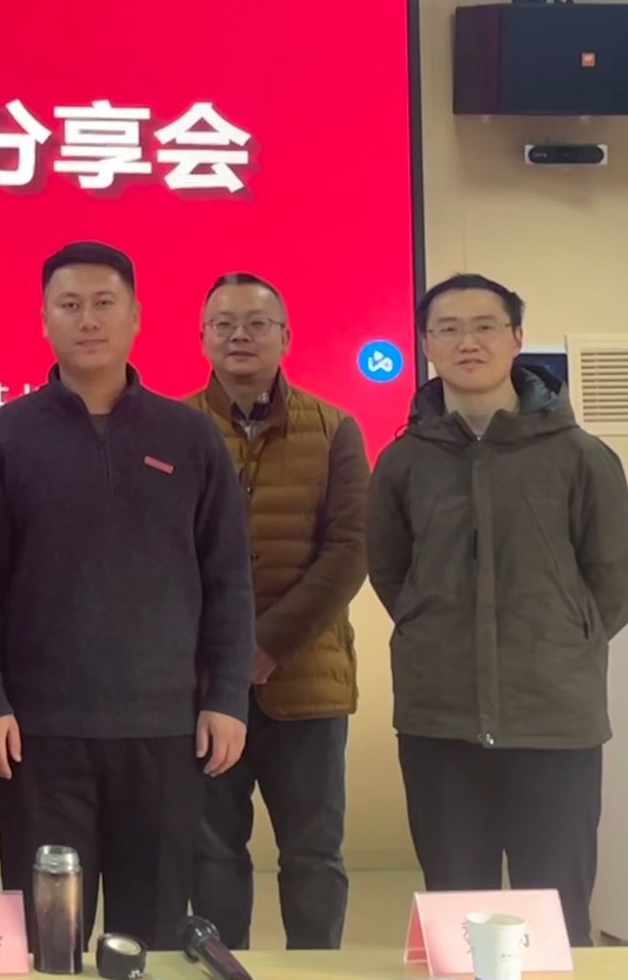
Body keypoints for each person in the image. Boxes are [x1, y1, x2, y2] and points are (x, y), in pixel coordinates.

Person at [0, 241, 253, 953]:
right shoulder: (3, 439)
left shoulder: (189, 436)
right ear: (44, 320)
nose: (88, 319)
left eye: (104, 303)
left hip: (165, 729)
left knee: (152, 932)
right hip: (40, 734)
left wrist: (226, 696)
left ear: (136, 316)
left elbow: (229, 580)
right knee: (49, 937)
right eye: (70, 305)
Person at [370, 274, 628, 947]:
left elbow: (614, 573)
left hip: (553, 718)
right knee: (456, 915)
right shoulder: (402, 462)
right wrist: (434, 631)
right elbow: (391, 573)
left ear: (517, 338)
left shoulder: (581, 456)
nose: (468, 341)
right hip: (439, 718)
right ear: (426, 344)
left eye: (485, 325)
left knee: (555, 914)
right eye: (449, 328)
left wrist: (565, 639)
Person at [184, 276, 368, 951]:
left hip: (306, 684)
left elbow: (350, 550)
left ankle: (316, 969)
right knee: (212, 852)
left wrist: (266, 647)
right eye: (224, 323)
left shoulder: (334, 428)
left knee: (313, 853)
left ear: (286, 337)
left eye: (257, 323)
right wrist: (225, 658)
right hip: (203, 686)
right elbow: (156, 557)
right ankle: (221, 965)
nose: (240, 335)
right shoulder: (173, 428)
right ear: (203, 337)